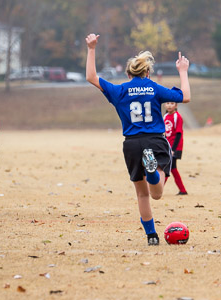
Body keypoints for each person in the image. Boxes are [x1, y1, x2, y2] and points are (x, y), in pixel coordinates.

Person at [85, 33, 190, 246]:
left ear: (128, 73)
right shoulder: (153, 88)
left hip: (132, 144)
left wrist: (92, 48)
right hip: (155, 140)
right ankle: (153, 173)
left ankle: (151, 236)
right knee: (157, 193)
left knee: (143, 195)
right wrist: (183, 71)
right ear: (148, 72)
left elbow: (91, 77)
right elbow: (185, 96)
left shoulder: (120, 90)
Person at [163, 102, 188, 195]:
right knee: (172, 168)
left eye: (172, 103)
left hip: (175, 147)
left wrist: (173, 149)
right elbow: (165, 133)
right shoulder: (165, 116)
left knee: (167, 167)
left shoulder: (177, 117)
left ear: (176, 105)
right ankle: (182, 190)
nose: (169, 105)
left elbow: (178, 134)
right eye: (167, 103)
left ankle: (159, 188)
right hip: (168, 146)